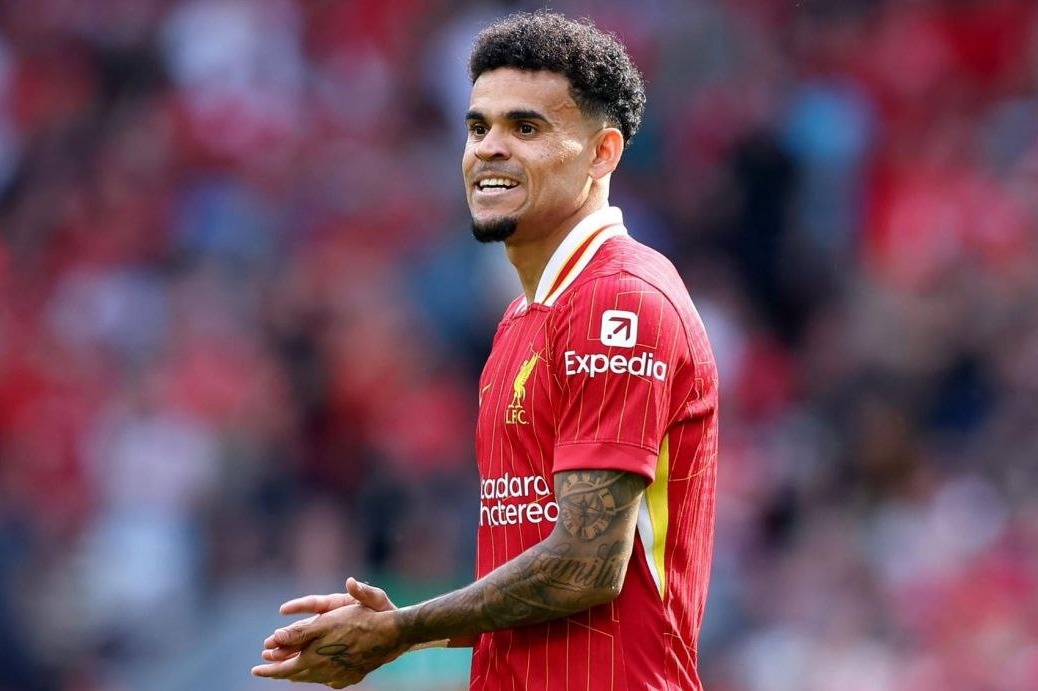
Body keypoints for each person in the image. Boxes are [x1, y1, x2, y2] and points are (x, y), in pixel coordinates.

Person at [252, 10, 719, 690]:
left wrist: (402, 630)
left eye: (525, 127)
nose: (490, 149)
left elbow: (587, 562)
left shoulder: (617, 300)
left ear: (602, 153)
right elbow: (533, 573)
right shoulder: (522, 320)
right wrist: (402, 625)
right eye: (479, 127)